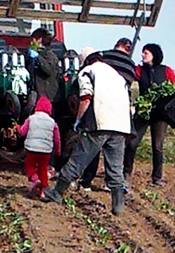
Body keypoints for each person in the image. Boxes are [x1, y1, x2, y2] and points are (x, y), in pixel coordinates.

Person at [43, 49, 131, 214]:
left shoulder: (88, 72)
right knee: (115, 166)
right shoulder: (117, 76)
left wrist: (78, 120)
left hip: (99, 123)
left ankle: (57, 192)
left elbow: (85, 97)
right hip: (121, 125)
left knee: (79, 159)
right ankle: (118, 206)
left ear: (86, 61)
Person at [78, 37, 136, 191]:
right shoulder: (131, 66)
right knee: (115, 155)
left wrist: (79, 119)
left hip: (101, 109)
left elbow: (89, 91)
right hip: (122, 113)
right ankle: (115, 188)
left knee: (93, 147)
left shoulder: (104, 59)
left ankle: (84, 181)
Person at [124, 43, 175, 187]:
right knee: (132, 142)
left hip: (160, 114)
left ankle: (157, 178)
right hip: (144, 112)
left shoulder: (166, 71)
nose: (142, 55)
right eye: (143, 53)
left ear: (154, 55)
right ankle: (125, 173)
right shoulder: (139, 70)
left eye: (146, 53)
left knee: (157, 146)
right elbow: (128, 75)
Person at [17, 96, 61, 198]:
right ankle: (42, 192)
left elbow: (22, 132)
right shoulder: (52, 122)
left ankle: (36, 180)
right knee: (43, 170)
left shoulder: (31, 118)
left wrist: (17, 127)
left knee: (30, 166)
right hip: (46, 151)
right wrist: (57, 151)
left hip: (32, 149)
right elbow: (57, 139)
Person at [27, 27, 60, 103]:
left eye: (33, 40)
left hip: (48, 96)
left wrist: (38, 58)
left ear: (39, 40)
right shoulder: (36, 55)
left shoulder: (49, 55)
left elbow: (48, 70)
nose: (31, 42)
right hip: (37, 95)